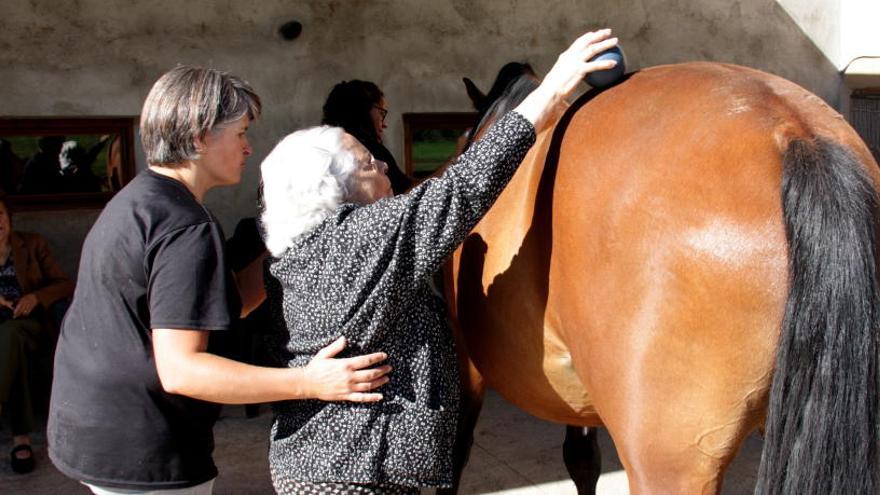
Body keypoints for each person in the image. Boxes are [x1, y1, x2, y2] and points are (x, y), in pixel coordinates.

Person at [260, 29, 618, 494]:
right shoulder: (361, 241)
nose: (386, 167)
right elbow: (460, 189)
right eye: (370, 165)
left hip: (321, 463)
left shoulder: (292, 256)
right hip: (356, 472)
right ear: (335, 190)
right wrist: (552, 90)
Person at [47, 66, 392, 494]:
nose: (248, 148)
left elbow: (226, 302)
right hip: (144, 448)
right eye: (241, 133)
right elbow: (182, 370)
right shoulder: (186, 229)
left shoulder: (141, 200)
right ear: (199, 138)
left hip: (93, 428)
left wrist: (295, 239)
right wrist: (311, 381)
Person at [0, 196, 73, 474]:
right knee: (11, 346)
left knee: (13, 334)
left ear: (9, 216)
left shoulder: (31, 244)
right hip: (7, 334)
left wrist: (35, 297)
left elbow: (64, 283)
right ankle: (21, 439)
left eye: (1, 214)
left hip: (29, 324)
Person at [322, 79, 413, 194]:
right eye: (381, 113)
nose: (384, 124)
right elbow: (407, 193)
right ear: (364, 110)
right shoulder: (370, 149)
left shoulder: (322, 151)